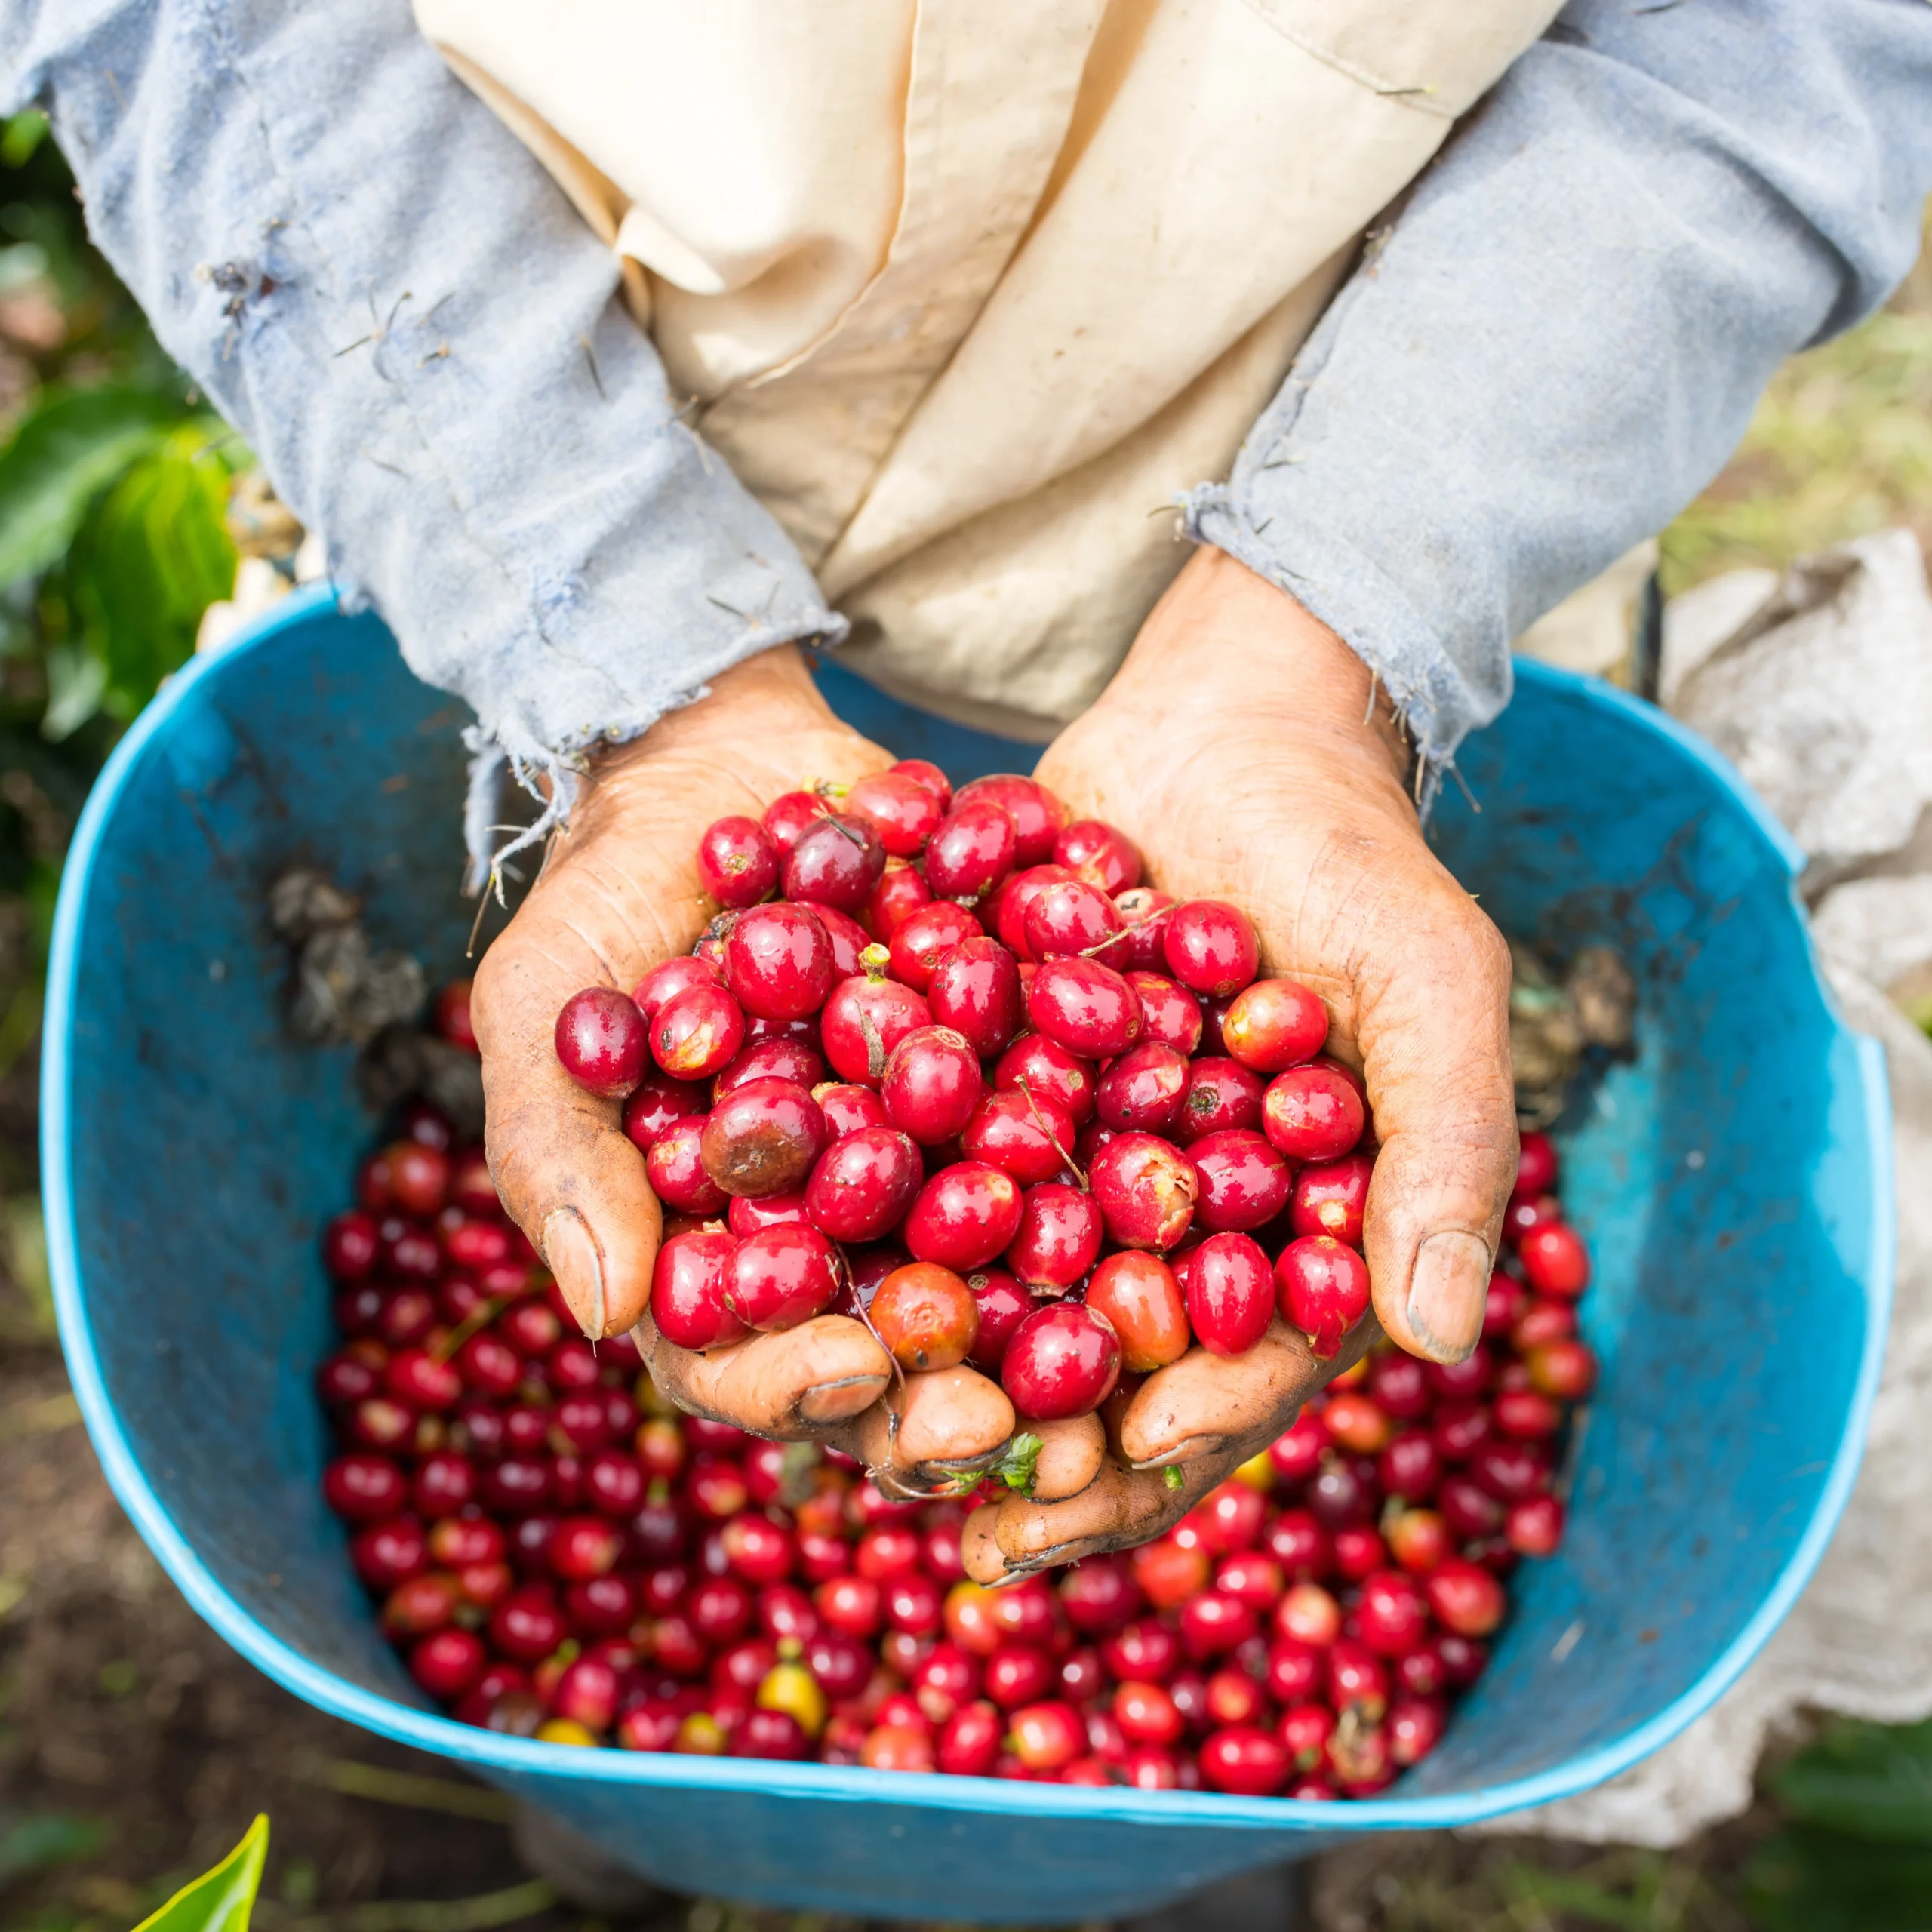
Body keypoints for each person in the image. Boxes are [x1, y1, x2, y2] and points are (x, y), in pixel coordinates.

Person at [6, 0, 1929, 1581]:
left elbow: (1791, 38)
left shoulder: (968, 1053)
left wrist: (1322, 642)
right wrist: (631, 681)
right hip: (520, 412)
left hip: (1404, 431)